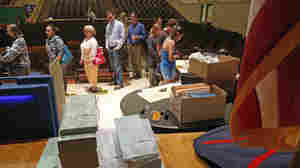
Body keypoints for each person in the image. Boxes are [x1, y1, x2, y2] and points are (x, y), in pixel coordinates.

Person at [105, 10, 125, 90]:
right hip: (110, 47)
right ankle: (115, 81)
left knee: (117, 65)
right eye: (108, 17)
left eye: (110, 17)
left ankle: (120, 83)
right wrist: (107, 45)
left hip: (117, 47)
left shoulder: (119, 24)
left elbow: (122, 36)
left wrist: (119, 46)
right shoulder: (108, 25)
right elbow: (107, 36)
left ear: (114, 16)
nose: (109, 18)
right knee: (113, 66)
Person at [45, 24, 67, 92]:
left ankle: (63, 93)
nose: (46, 32)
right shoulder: (47, 40)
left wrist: (57, 62)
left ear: (53, 32)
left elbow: (61, 51)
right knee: (54, 80)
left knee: (61, 79)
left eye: (48, 31)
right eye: (46, 31)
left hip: (59, 63)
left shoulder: (57, 40)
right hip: (52, 62)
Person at [127, 12, 147, 79]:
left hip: (138, 45)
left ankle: (139, 74)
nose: (132, 19)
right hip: (131, 45)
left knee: (137, 60)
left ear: (136, 18)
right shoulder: (130, 26)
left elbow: (144, 36)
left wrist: (137, 37)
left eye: (133, 17)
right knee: (132, 60)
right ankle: (134, 73)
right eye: (131, 18)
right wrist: (129, 43)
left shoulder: (141, 26)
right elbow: (129, 36)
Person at [80, 25, 99, 92]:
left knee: (93, 73)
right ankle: (91, 85)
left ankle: (94, 86)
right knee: (88, 73)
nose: (86, 33)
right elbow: (82, 49)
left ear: (91, 32)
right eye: (85, 31)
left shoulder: (93, 40)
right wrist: (82, 58)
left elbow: (94, 51)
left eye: (88, 31)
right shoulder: (85, 40)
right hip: (85, 59)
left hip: (91, 59)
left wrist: (91, 59)